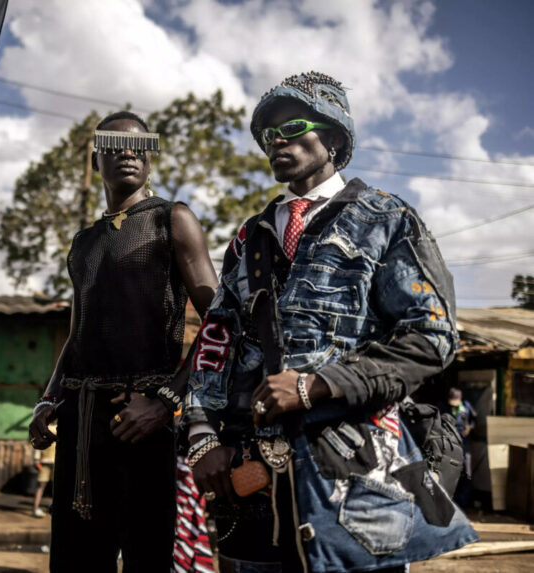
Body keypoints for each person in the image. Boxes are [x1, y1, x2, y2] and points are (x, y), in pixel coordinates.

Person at [184, 71, 478, 572]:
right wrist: (201, 433)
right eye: (269, 135)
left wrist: (317, 385)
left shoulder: (386, 218)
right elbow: (217, 336)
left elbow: (432, 336)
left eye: (292, 128)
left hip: (358, 474)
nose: (277, 142)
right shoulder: (250, 237)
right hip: (254, 478)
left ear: (335, 138)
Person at [27, 110, 218, 572]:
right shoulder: (84, 242)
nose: (128, 151)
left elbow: (220, 325)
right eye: (114, 144)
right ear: (97, 159)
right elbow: (78, 332)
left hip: (141, 418)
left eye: (140, 144)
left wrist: (166, 401)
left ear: (151, 158)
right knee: (75, 557)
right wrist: (49, 399)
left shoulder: (172, 220)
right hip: (79, 421)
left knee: (145, 558)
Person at [440, 387, 476, 506]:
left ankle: (464, 502)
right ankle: (451, 502)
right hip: (449, 442)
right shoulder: (443, 407)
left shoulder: (466, 406)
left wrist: (469, 428)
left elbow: (474, 420)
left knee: (466, 471)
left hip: (463, 441)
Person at [32, 422, 56, 518]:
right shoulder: (43, 428)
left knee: (48, 486)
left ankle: (53, 507)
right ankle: (36, 508)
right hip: (47, 461)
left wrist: (36, 458)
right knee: (42, 486)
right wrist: (36, 459)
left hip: (54, 462)